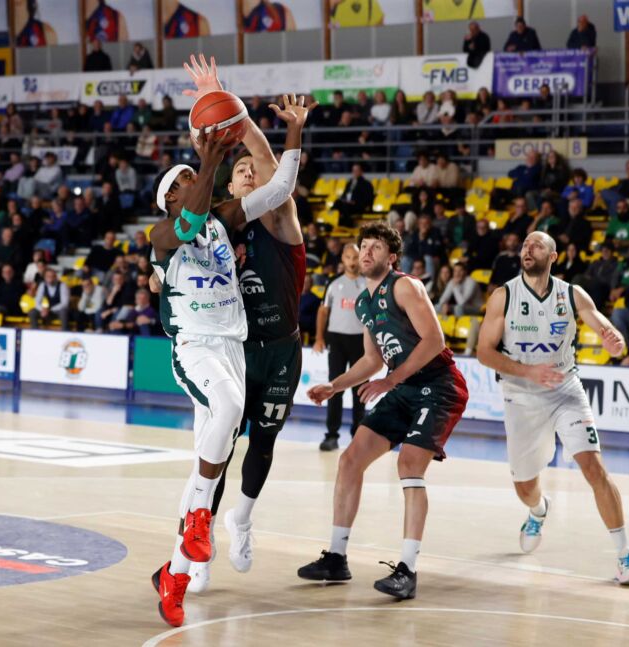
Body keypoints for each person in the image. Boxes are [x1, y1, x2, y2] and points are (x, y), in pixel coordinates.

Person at [147, 90, 310, 628]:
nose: (191, 179)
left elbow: (280, 188)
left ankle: (174, 575)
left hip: (233, 346)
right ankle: (201, 518)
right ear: (170, 199)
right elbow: (188, 224)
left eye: (190, 175)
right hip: (195, 346)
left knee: (209, 448)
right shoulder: (163, 235)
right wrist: (211, 156)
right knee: (229, 410)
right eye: (182, 181)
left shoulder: (225, 219)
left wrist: (294, 130)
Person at [298, 222, 468, 600]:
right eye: (363, 246)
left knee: (408, 465)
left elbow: (434, 340)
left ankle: (408, 570)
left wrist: (391, 380)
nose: (366, 252)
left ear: (391, 257)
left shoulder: (405, 286)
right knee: (350, 460)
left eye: (375, 247)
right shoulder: (364, 302)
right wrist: (334, 385)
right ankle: (336, 557)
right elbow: (372, 360)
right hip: (404, 386)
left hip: (439, 385)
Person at [477, 231, 629, 586]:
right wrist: (528, 372)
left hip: (565, 389)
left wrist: (614, 340)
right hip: (521, 395)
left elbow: (603, 326)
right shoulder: (504, 296)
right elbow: (484, 353)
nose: (528, 249)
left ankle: (625, 555)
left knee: (594, 468)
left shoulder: (571, 294)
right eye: (525, 245)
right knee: (524, 487)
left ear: (553, 256)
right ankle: (539, 510)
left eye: (537, 245)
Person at [314, 244, 366, 452]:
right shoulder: (333, 283)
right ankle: (331, 435)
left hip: (361, 341)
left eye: (355, 257)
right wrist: (319, 338)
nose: (352, 261)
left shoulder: (368, 283)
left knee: (359, 390)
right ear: (342, 259)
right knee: (334, 388)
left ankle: (358, 436)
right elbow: (323, 311)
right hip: (337, 340)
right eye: (348, 257)